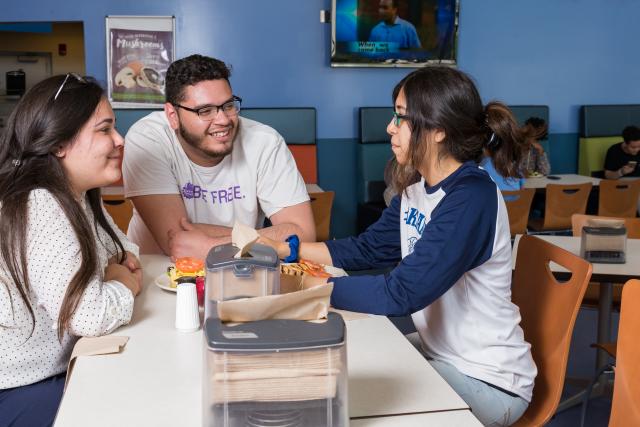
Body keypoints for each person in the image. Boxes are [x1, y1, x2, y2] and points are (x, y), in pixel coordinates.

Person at [262, 67, 537, 426]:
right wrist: (287, 251)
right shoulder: (417, 190)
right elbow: (366, 249)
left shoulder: (471, 197)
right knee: (344, 368)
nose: (391, 127)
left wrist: (301, 288)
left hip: (488, 379)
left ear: (439, 129)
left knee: (351, 407)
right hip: (442, 354)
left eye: (401, 117)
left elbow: (401, 293)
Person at [0, 74, 142, 426]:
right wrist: (126, 284)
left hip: (60, 370)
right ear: (59, 143)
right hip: (20, 388)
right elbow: (88, 316)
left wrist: (118, 271)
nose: (119, 140)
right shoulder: (41, 202)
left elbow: (125, 251)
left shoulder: (76, 194)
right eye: (105, 129)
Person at [123, 54, 315, 261]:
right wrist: (260, 240)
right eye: (205, 111)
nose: (223, 120)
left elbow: (304, 234)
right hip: (157, 274)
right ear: (173, 116)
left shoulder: (265, 141)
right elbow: (177, 243)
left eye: (228, 106)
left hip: (240, 271)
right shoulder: (147, 138)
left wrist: (210, 245)